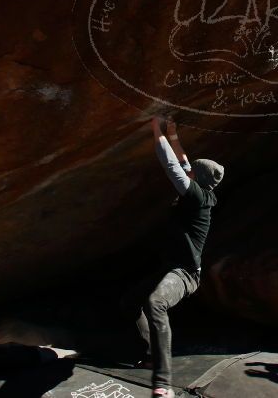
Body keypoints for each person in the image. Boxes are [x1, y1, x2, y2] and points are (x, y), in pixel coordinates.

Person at [122, 116, 224, 398]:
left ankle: (163, 382)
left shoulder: (197, 197)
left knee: (156, 302)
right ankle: (151, 354)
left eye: (191, 172)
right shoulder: (201, 187)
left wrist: (155, 129)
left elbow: (171, 165)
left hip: (185, 273)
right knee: (131, 301)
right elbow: (183, 160)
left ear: (196, 180)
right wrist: (173, 132)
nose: (187, 171)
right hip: (171, 266)